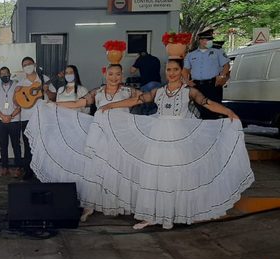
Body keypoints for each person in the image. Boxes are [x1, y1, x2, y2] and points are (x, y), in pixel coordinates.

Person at [99, 58, 248, 229]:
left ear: (181, 71)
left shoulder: (189, 91)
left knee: (176, 173)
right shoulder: (158, 91)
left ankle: (175, 212)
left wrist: (228, 111)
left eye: (175, 70)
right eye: (168, 70)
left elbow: (207, 103)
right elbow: (136, 100)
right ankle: (152, 215)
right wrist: (111, 106)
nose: (171, 73)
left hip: (178, 136)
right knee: (154, 174)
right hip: (158, 135)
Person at [54, 64, 140, 222]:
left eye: (118, 74)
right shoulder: (97, 92)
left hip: (121, 134)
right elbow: (76, 104)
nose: (114, 78)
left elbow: (143, 99)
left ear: (122, 75)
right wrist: (54, 104)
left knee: (120, 167)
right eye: (111, 74)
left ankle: (120, 202)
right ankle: (91, 205)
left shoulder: (128, 91)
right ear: (105, 74)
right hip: (101, 134)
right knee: (97, 167)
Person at [16, 57, 56, 180]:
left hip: (42, 118)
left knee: (43, 145)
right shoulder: (20, 83)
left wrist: (47, 90)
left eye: (29, 64)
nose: (27, 66)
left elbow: (53, 97)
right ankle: (28, 171)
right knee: (28, 146)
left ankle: (44, 172)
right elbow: (16, 102)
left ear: (34, 65)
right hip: (26, 118)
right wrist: (17, 94)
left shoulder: (45, 80)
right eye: (25, 65)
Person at [182, 28, 230, 120]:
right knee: (200, 110)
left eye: (210, 39)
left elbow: (226, 66)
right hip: (197, 85)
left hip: (212, 84)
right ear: (201, 40)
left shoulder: (217, 52)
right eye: (207, 39)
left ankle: (213, 131)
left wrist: (222, 76)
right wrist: (187, 82)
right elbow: (185, 70)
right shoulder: (191, 55)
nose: (209, 42)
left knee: (213, 110)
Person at [0, 66, 22, 177]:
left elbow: (21, 104)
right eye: (2, 74)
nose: (4, 75)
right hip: (1, 120)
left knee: (16, 145)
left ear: (10, 73)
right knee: (3, 146)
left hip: (14, 120)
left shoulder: (17, 86)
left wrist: (10, 116)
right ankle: (5, 167)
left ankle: (19, 167)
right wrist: (3, 116)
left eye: (6, 73)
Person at [130, 50, 161, 115]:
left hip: (146, 84)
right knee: (156, 101)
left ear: (139, 55)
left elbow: (132, 71)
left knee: (146, 103)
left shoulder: (140, 59)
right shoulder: (156, 59)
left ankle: (147, 117)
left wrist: (136, 60)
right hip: (157, 83)